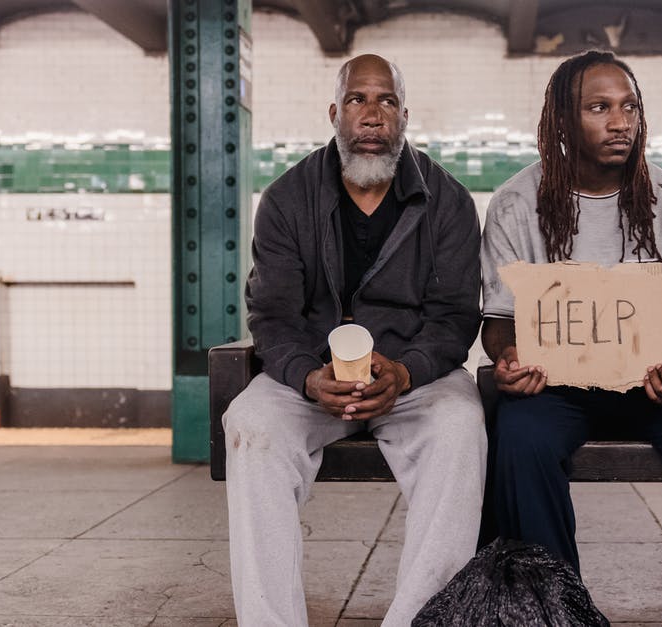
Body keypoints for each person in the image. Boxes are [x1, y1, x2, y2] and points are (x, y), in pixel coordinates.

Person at [480, 50, 662, 627]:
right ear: (562, 121)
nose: (620, 122)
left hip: (648, 383)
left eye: (629, 106)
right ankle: (563, 616)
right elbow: (497, 325)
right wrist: (508, 358)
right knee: (517, 436)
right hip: (555, 385)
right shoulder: (514, 202)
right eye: (599, 108)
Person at [223, 54, 486, 626]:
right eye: (357, 100)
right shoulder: (287, 200)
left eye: (386, 101)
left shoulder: (449, 202)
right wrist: (307, 376)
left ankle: (418, 620)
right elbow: (272, 314)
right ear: (334, 114)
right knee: (251, 424)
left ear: (405, 116)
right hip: (312, 380)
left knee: (461, 427)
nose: (372, 115)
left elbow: (456, 315)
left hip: (414, 380)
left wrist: (407, 371)